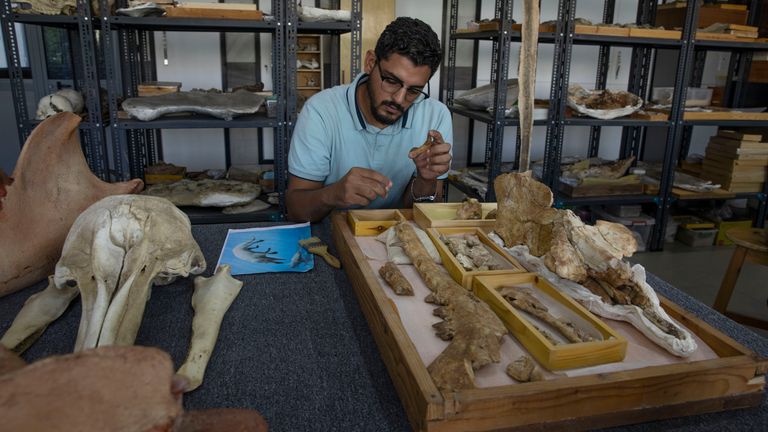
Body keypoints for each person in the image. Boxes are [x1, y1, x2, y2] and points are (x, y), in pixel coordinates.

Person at [286, 17, 453, 222]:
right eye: (391, 81)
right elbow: (295, 210)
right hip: (332, 235)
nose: (399, 99)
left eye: (414, 90)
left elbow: (425, 213)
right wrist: (333, 194)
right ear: (370, 62)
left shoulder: (436, 116)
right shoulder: (320, 111)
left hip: (396, 236)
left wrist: (426, 181)